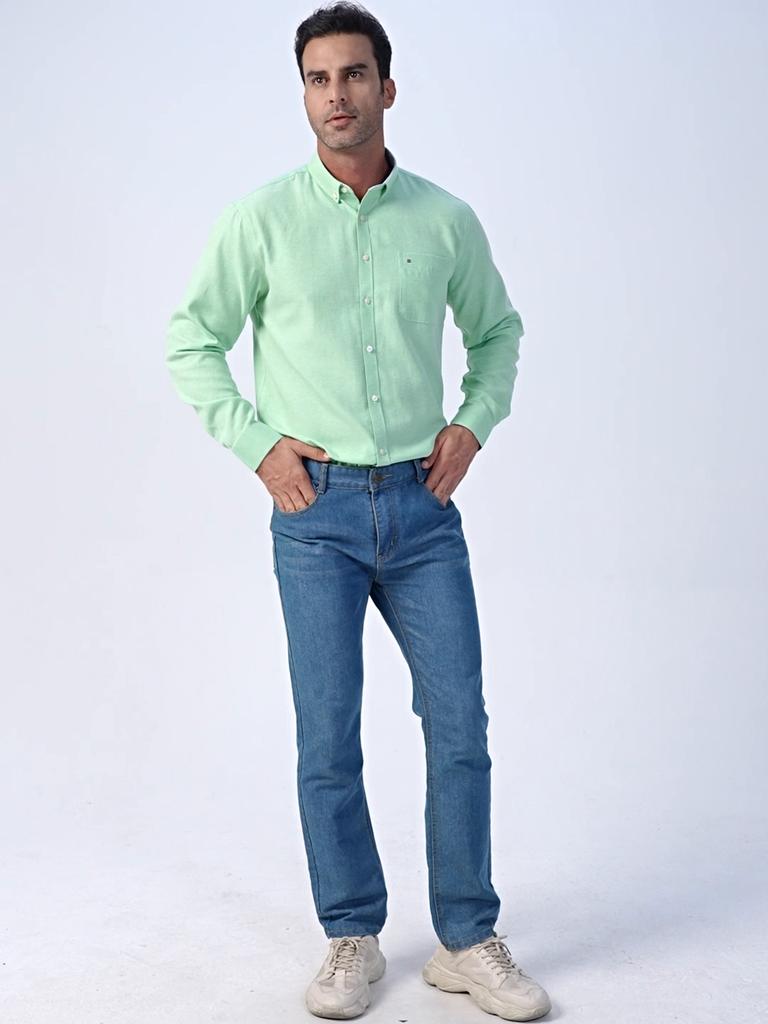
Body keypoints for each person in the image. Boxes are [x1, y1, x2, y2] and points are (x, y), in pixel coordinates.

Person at [165, 2, 552, 1019]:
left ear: (387, 86)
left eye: (352, 75)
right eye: (317, 78)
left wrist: (472, 423)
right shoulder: (259, 221)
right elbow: (190, 340)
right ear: (303, 94)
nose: (335, 95)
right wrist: (258, 444)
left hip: (422, 508)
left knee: (459, 723)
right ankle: (352, 934)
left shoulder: (445, 220)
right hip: (317, 515)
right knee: (328, 737)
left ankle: (467, 938)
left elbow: (499, 332)